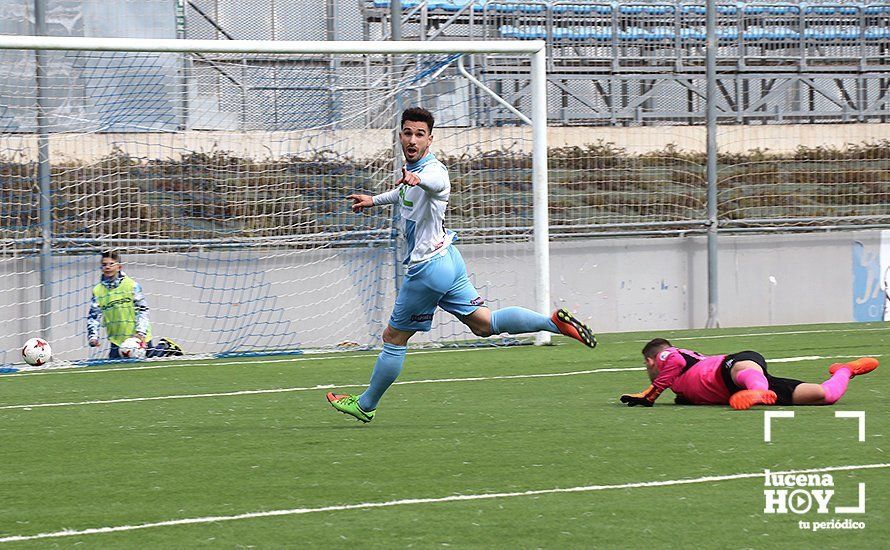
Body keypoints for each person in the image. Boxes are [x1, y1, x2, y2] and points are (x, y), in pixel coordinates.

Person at [326, 107, 596, 423]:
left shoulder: (433, 171)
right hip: (448, 259)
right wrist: (374, 200)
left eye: (419, 134)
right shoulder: (410, 171)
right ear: (400, 134)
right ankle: (553, 323)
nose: (412, 139)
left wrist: (418, 178)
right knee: (483, 324)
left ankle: (366, 405)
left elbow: (434, 184)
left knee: (394, 338)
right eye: (408, 133)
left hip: (428, 270)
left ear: (430, 139)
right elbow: (404, 194)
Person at [620, 337, 878, 409]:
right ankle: (846, 370)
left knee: (744, 372)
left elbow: (673, 358)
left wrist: (653, 394)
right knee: (825, 395)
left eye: (646, 366)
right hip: (742, 389)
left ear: (650, 360)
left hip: (732, 367)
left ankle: (758, 389)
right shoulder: (678, 384)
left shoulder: (666, 356)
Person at [87, 251, 183, 359]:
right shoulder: (98, 290)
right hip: (117, 340)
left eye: (111, 264)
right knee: (115, 367)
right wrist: (93, 337)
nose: (107, 267)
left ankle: (165, 347)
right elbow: (93, 316)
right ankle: (163, 347)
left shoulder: (132, 285)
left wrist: (140, 332)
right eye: (104, 265)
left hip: (137, 336)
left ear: (119, 267)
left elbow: (142, 310)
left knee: (147, 360)